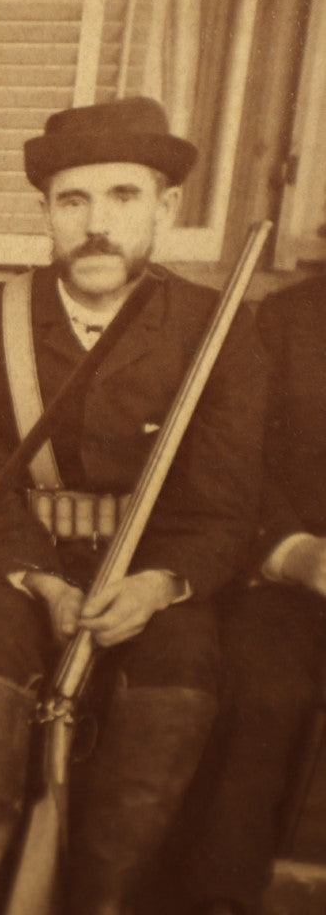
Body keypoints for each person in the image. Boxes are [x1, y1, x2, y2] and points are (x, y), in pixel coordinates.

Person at [0, 97, 266, 915]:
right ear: (45, 209)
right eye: (73, 200)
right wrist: (39, 582)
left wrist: (159, 586)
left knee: (183, 675)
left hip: (153, 577)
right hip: (16, 566)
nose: (96, 223)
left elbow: (224, 505)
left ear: (165, 207)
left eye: (122, 197)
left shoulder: (220, 326)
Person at [160, 270, 326, 915]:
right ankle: (215, 898)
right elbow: (238, 460)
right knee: (258, 689)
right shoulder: (288, 320)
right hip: (292, 580)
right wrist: (294, 551)